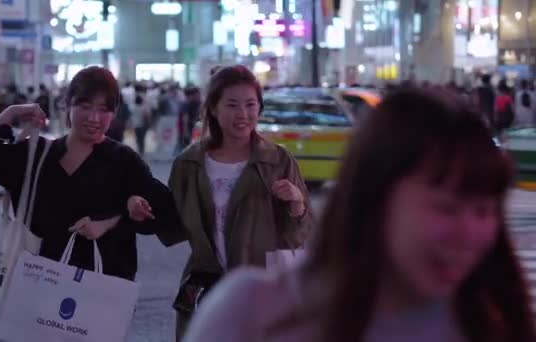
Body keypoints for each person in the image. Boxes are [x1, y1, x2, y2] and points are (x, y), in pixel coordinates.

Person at [184, 88, 536, 342]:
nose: (470, 232)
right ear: (376, 198)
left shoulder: (496, 321)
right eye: (446, 208)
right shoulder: (253, 313)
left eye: (485, 210)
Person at [0, 66, 181, 282]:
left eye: (104, 109)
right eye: (85, 106)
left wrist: (120, 216)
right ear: (67, 105)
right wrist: (11, 113)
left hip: (102, 292)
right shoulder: (35, 155)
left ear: (113, 113)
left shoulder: (124, 161)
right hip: (36, 287)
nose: (94, 118)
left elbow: (165, 214)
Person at [168, 65, 313, 340]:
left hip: (261, 286)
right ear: (213, 108)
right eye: (232, 105)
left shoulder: (277, 160)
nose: (243, 114)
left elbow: (297, 236)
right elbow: (171, 223)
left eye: (250, 104)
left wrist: (296, 203)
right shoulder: (189, 162)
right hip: (204, 287)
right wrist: (137, 207)